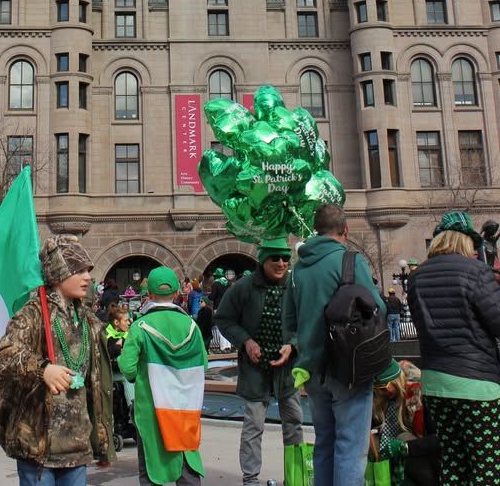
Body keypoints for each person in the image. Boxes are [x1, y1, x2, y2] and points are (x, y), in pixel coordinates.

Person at [0, 234, 115, 485]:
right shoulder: (33, 315)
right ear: (58, 272)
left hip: (77, 447)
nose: (87, 277)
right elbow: (2, 357)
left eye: (88, 271)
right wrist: (42, 369)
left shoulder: (89, 321)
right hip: (38, 448)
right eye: (79, 270)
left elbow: (97, 386)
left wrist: (103, 443)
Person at [285, 204, 386, 486]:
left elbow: (289, 321)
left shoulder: (297, 271)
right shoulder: (350, 262)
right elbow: (376, 308)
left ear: (317, 230)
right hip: (349, 367)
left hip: (313, 370)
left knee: (325, 442)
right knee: (351, 447)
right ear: (345, 230)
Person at [408, 211, 500, 485]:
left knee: (453, 462)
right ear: (466, 241)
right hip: (476, 384)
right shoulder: (476, 272)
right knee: (487, 468)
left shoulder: (416, 277)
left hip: (436, 382)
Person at [215, 237, 303, 486]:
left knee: (295, 424)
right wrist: (246, 341)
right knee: (254, 426)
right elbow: (224, 319)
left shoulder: (296, 286)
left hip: (288, 370)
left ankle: (295, 478)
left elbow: (308, 320)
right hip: (255, 369)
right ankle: (251, 480)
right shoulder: (243, 287)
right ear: (263, 259)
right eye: (275, 258)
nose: (281, 263)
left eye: (286, 258)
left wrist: (293, 345)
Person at [118, 266, 208, 486]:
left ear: (149, 295)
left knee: (151, 464)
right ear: (177, 293)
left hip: (151, 409)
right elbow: (203, 364)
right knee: (187, 460)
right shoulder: (191, 326)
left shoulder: (139, 326)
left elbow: (128, 367)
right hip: (185, 406)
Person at [371, 359, 440, 486]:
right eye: (378, 389)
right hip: (396, 456)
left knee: (404, 437)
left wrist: (405, 447)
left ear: (397, 381)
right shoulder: (382, 400)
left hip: (426, 455)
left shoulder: (420, 395)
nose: (384, 393)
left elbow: (438, 440)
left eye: (385, 387)